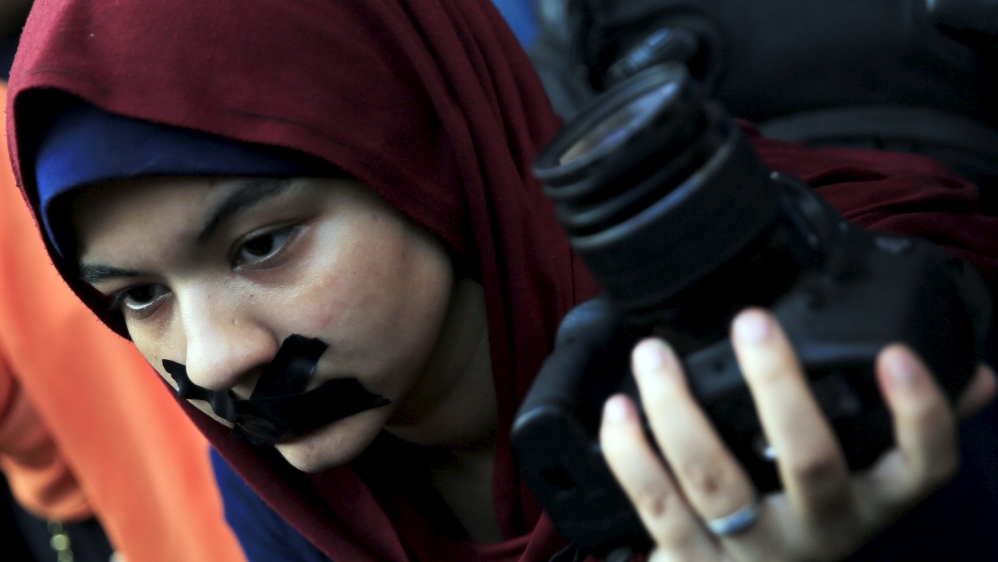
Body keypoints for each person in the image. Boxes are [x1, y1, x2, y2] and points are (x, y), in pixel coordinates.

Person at [6, 0, 998, 561]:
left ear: (433, 154)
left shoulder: (806, 320)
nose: (216, 358)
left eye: (262, 244)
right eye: (138, 295)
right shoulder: (283, 494)